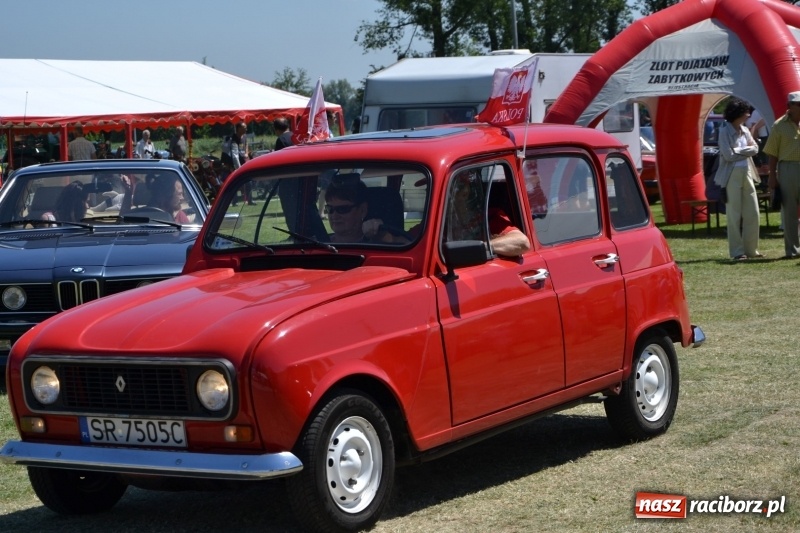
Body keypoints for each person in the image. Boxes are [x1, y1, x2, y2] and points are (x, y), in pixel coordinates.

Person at [713, 98, 762, 260]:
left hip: (747, 172)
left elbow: (755, 149)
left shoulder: (745, 130)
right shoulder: (724, 131)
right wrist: (747, 151)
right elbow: (728, 155)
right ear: (738, 113)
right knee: (734, 214)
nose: (748, 115)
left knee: (753, 212)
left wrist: (739, 150)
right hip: (731, 174)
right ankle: (737, 252)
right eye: (746, 112)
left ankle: (752, 250)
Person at [764, 91, 800, 259]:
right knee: (790, 212)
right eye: (799, 104)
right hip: (788, 168)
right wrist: (772, 176)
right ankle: (793, 250)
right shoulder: (779, 125)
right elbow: (772, 153)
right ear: (790, 106)